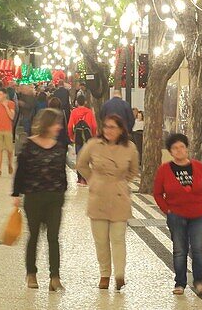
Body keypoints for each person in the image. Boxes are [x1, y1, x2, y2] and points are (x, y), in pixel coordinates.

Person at [153, 133, 202, 297]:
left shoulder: (198, 167)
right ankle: (180, 283)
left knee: (197, 248)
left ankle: (198, 281)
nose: (179, 150)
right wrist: (167, 209)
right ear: (170, 151)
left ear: (187, 148)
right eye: (175, 148)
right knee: (180, 250)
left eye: (182, 147)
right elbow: (157, 193)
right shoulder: (164, 170)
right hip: (176, 216)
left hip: (198, 214)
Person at [78, 114, 139, 291]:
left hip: (119, 196)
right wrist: (93, 180)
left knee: (118, 238)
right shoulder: (93, 145)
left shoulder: (130, 147)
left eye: (113, 127)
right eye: (106, 127)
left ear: (121, 130)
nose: (108, 130)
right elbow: (81, 164)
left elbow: (133, 170)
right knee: (101, 240)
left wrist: (122, 182)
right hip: (98, 196)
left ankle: (120, 274)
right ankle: (104, 274)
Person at [12, 108, 68, 292]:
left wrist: (62, 193)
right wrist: (16, 195)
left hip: (54, 199)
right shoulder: (28, 145)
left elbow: (62, 174)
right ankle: (31, 273)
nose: (59, 127)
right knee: (34, 236)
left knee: (53, 237)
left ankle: (55, 277)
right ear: (47, 124)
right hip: (34, 197)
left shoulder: (59, 148)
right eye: (56, 123)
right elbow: (20, 172)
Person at [67, 94, 98, 185]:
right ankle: (85, 178)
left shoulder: (74, 112)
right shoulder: (89, 112)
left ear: (77, 102)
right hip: (88, 138)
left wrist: (71, 136)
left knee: (79, 157)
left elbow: (69, 126)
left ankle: (79, 178)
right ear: (85, 102)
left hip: (78, 137)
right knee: (87, 157)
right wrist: (93, 135)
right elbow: (94, 125)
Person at [0, 88, 17, 176]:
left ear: (5, 95)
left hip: (8, 129)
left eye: (0, 94)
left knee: (9, 150)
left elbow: (12, 117)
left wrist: (6, 106)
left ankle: (9, 163)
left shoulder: (11, 103)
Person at [15, 85, 37, 150]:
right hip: (23, 115)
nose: (22, 90)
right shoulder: (22, 96)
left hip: (27, 116)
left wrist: (23, 104)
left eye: (23, 89)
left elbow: (32, 106)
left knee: (26, 130)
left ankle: (27, 143)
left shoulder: (31, 97)